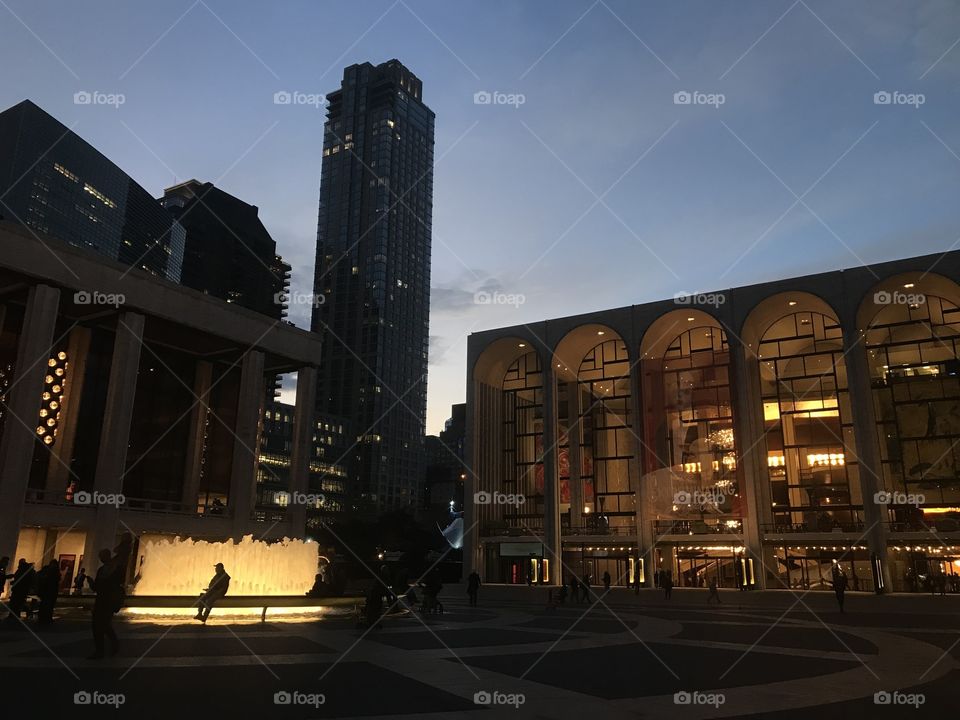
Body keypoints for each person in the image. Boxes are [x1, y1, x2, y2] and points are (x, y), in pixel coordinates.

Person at [89, 549, 123, 659]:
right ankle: (108, 647)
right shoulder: (105, 570)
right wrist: (92, 584)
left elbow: (105, 586)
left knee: (102, 625)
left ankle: (102, 650)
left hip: (107, 602)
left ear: (107, 556)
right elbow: (97, 587)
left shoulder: (112, 570)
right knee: (102, 625)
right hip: (103, 601)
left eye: (101, 556)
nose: (100, 558)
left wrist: (93, 584)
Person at [36, 559, 61, 625]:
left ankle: (43, 618)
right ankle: (46, 618)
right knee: (48, 605)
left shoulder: (47, 570)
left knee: (45, 605)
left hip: (46, 591)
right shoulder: (53, 571)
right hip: (49, 591)